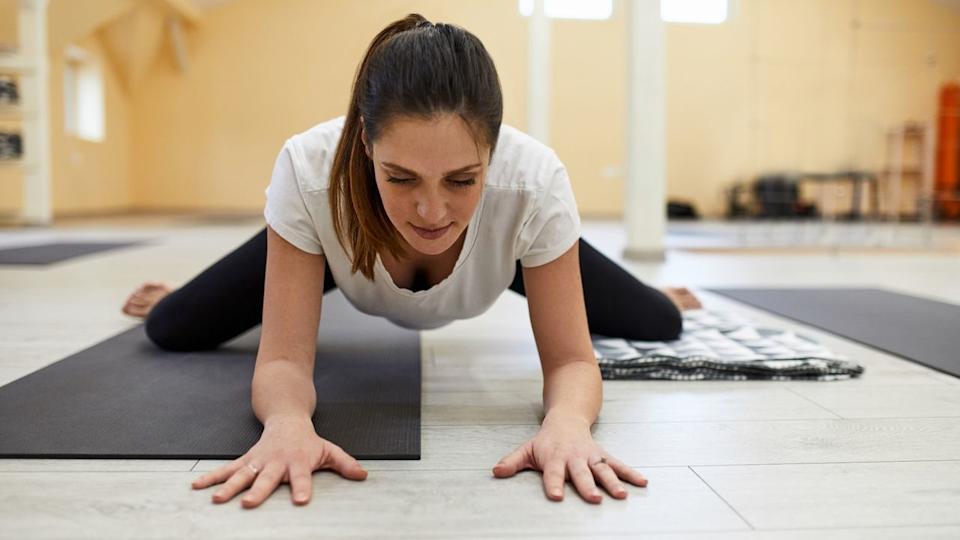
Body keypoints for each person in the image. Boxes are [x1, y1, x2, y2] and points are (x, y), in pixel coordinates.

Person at [121, 14, 702, 509]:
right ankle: (194, 290)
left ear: (494, 154)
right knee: (170, 327)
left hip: (512, 256)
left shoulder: (531, 182)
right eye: (401, 178)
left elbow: (573, 363)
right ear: (366, 143)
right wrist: (288, 424)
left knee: (660, 322)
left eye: (462, 179)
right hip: (333, 249)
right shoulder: (310, 171)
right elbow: (282, 363)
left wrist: (568, 425)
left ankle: (624, 286)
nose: (431, 209)